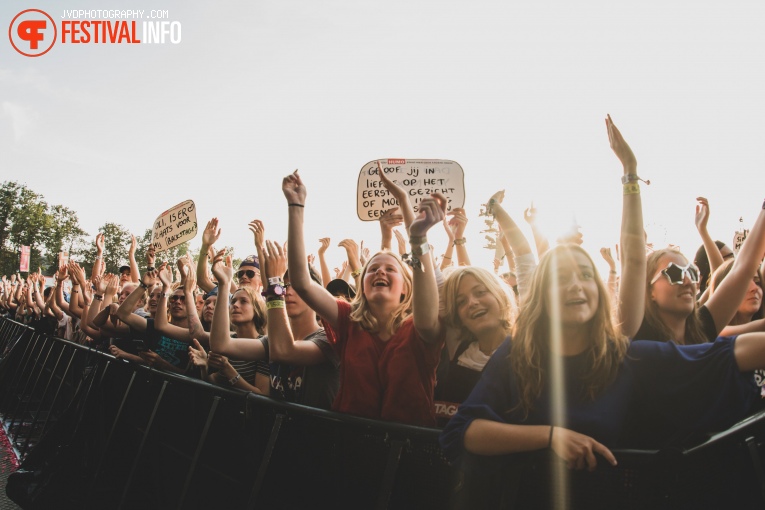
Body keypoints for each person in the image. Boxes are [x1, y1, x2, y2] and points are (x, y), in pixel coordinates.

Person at [283, 169, 445, 426]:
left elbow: (425, 288)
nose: (380, 270)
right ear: (363, 285)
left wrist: (418, 238)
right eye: (372, 269)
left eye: (390, 269)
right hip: (351, 445)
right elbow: (302, 282)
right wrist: (296, 205)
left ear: (406, 287)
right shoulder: (348, 321)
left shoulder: (420, 329)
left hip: (407, 451)